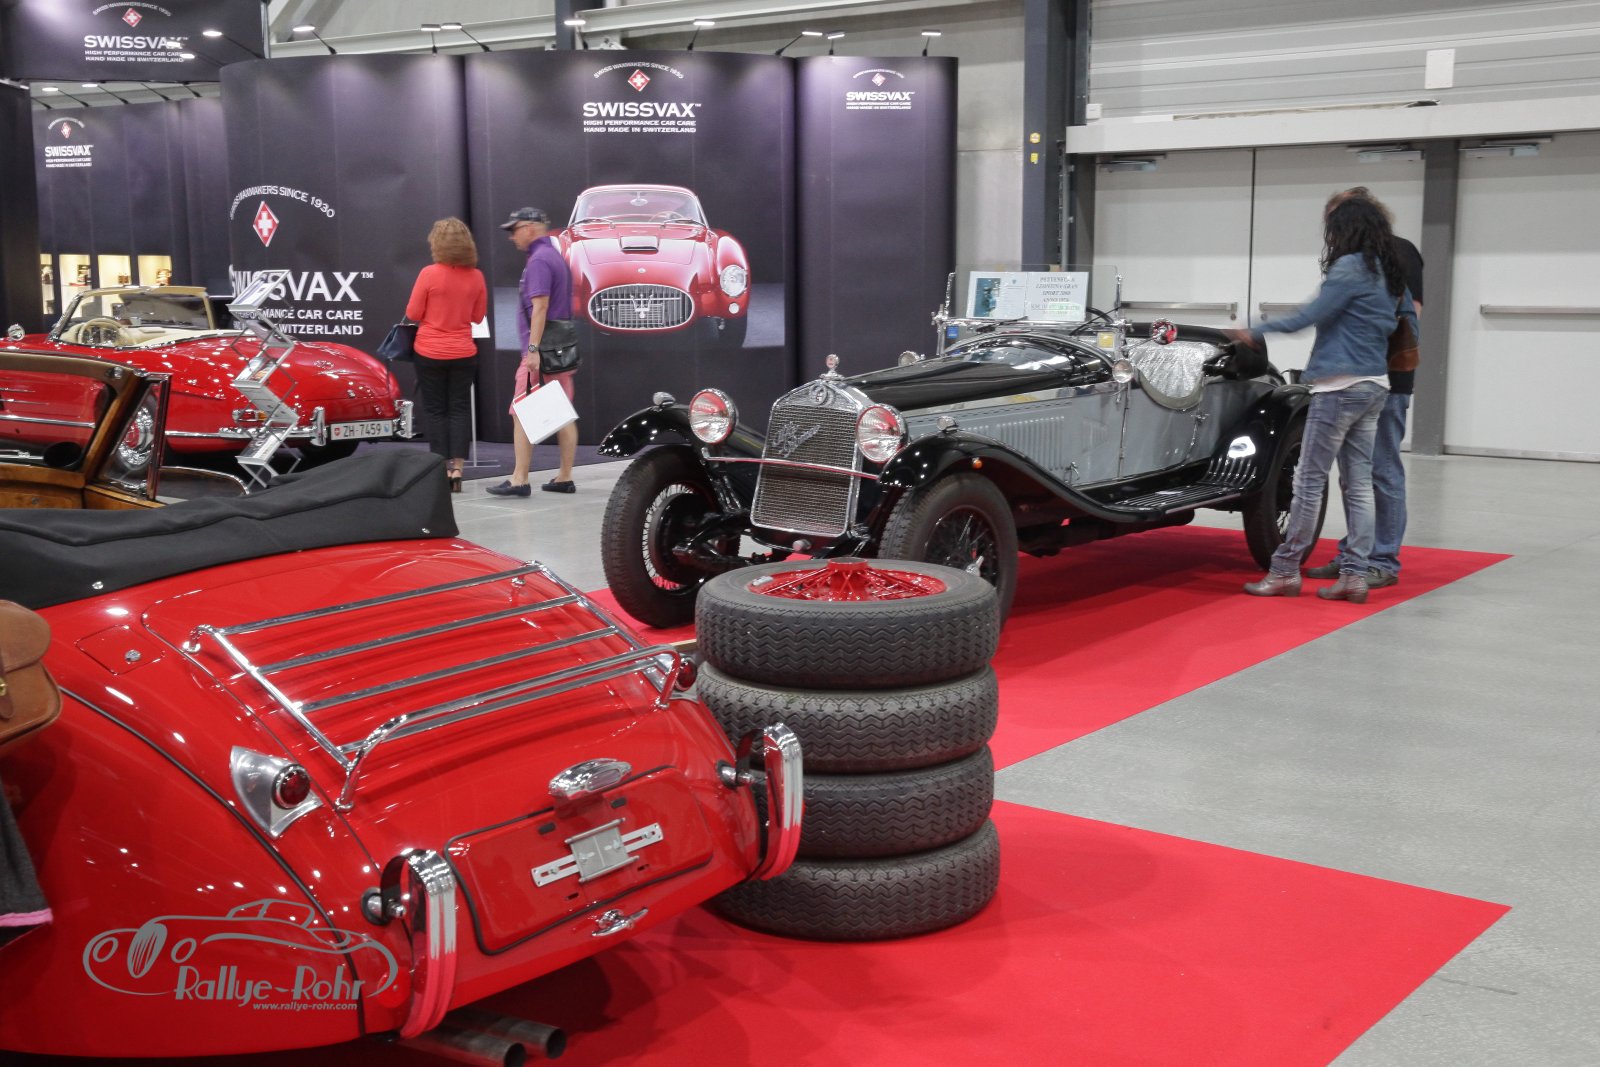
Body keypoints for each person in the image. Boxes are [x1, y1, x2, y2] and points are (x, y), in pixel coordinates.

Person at [1230, 195, 1417, 604]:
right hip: (1374, 384)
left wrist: (1254, 330)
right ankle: (1354, 576)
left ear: (1345, 229)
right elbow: (1405, 322)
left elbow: (1308, 316)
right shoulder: (1388, 272)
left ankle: (1284, 571)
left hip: (1339, 386)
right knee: (1359, 484)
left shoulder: (1349, 268)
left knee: (1309, 481)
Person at [1304, 187, 1422, 589]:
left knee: (1382, 471)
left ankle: (1382, 559)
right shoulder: (1354, 259)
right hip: (1356, 376)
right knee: (1354, 476)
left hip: (1382, 377)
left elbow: (1410, 316)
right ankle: (1354, 557)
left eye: (1336, 220)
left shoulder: (1397, 253)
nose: (1331, 230)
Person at [488, 207, 578, 498]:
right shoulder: (555, 257)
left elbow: (540, 308)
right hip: (560, 350)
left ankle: (519, 479)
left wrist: (532, 350)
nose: (511, 237)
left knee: (521, 411)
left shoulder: (539, 260)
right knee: (562, 413)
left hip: (541, 353)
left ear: (529, 228)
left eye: (514, 230)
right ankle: (564, 477)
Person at [405, 217, 488, 493]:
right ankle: (458, 470)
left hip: (429, 351)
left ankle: (440, 467)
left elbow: (413, 313)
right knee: (459, 408)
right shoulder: (476, 276)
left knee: (435, 409)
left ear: (437, 244)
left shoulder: (428, 274)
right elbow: (478, 317)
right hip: (463, 352)